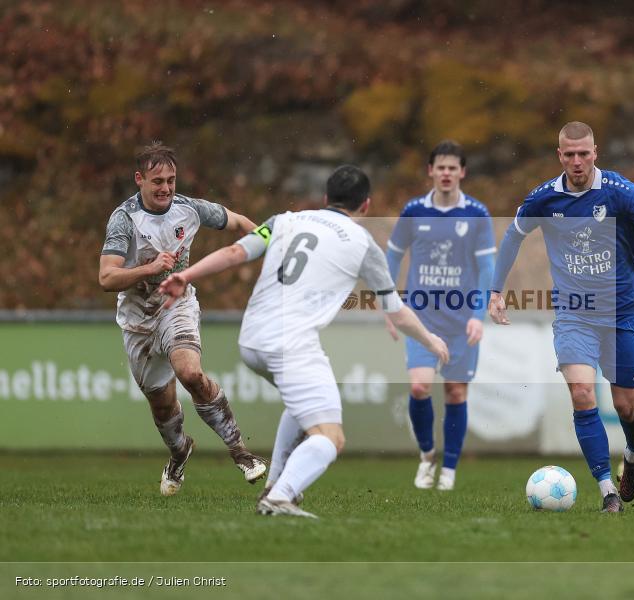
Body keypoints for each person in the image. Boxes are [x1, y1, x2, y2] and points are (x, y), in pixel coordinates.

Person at [159, 165, 450, 518]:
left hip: (252, 340)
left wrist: (185, 275)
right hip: (290, 344)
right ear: (366, 206)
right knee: (330, 437)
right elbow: (396, 311)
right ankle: (280, 495)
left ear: (325, 199)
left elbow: (236, 253)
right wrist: (431, 341)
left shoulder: (285, 220)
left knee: (302, 406)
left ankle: (275, 484)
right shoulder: (363, 243)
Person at [488, 122, 634, 512]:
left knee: (627, 405)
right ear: (559, 155)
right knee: (581, 392)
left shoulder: (618, 191)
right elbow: (512, 236)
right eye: (569, 155)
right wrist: (496, 289)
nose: (577, 161)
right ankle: (608, 490)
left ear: (596, 152)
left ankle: (632, 453)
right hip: (574, 312)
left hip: (622, 312)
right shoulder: (544, 198)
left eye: (584, 154)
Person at [98, 142, 267, 496]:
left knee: (190, 372)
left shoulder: (189, 208)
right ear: (139, 180)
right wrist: (149, 268)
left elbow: (237, 221)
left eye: (171, 180)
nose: (166, 188)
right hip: (137, 321)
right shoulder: (124, 219)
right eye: (157, 180)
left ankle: (242, 453)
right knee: (162, 405)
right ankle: (179, 453)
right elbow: (106, 278)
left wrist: (269, 243)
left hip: (177, 306)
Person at [385, 141, 495, 492]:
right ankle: (427, 455)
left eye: (453, 168)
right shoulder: (414, 210)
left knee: (455, 394)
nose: (446, 173)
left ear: (462, 172)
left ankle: (449, 469)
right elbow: (391, 258)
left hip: (461, 321)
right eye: (440, 167)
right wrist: (389, 306)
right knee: (418, 387)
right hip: (422, 318)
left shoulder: (477, 213)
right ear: (430, 171)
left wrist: (478, 315)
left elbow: (487, 268)